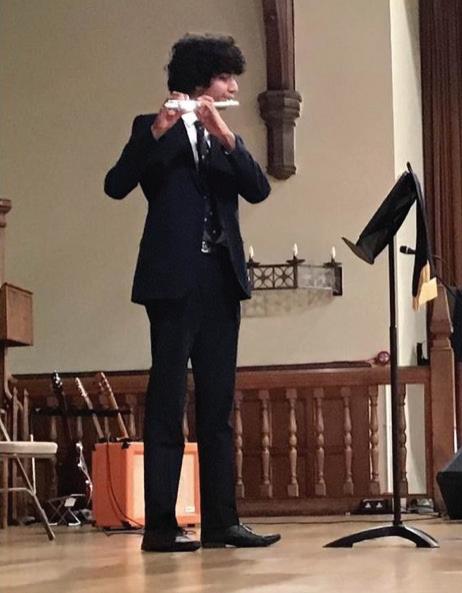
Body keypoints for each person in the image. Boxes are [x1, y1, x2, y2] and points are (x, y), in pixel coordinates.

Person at [104, 34, 281, 552]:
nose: (234, 88)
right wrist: (158, 130)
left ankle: (222, 522)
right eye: (226, 78)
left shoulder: (225, 135)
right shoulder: (150, 128)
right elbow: (116, 184)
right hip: (171, 281)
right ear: (202, 78)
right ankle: (160, 527)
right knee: (167, 401)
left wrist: (224, 135)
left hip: (220, 281)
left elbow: (258, 189)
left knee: (217, 405)